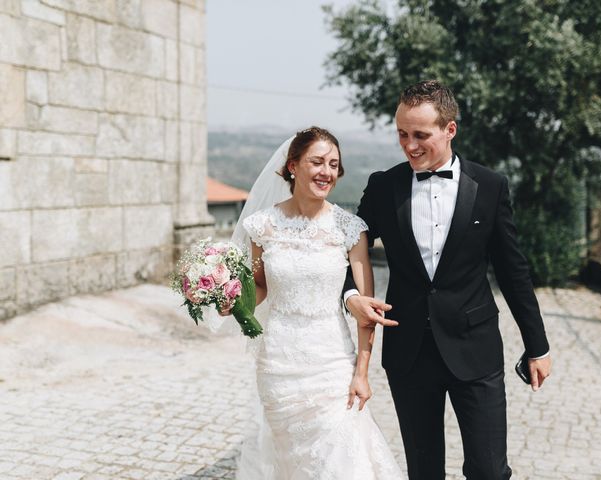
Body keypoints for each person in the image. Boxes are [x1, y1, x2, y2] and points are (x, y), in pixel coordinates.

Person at [343, 80, 552, 479]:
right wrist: (351, 294)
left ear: (450, 129)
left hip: (475, 347)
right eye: (402, 134)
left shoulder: (490, 186)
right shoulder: (383, 187)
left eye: (421, 135)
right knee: (424, 471)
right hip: (409, 350)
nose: (409, 145)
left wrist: (536, 344)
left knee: (490, 470)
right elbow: (347, 249)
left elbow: (513, 270)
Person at [231, 127, 402, 479]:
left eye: (334, 165)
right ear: (293, 166)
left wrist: (361, 374)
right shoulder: (262, 226)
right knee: (292, 462)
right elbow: (260, 286)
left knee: (342, 462)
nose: (327, 172)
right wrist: (233, 299)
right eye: (318, 162)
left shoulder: (349, 228)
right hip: (279, 363)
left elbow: (366, 312)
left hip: (331, 365)